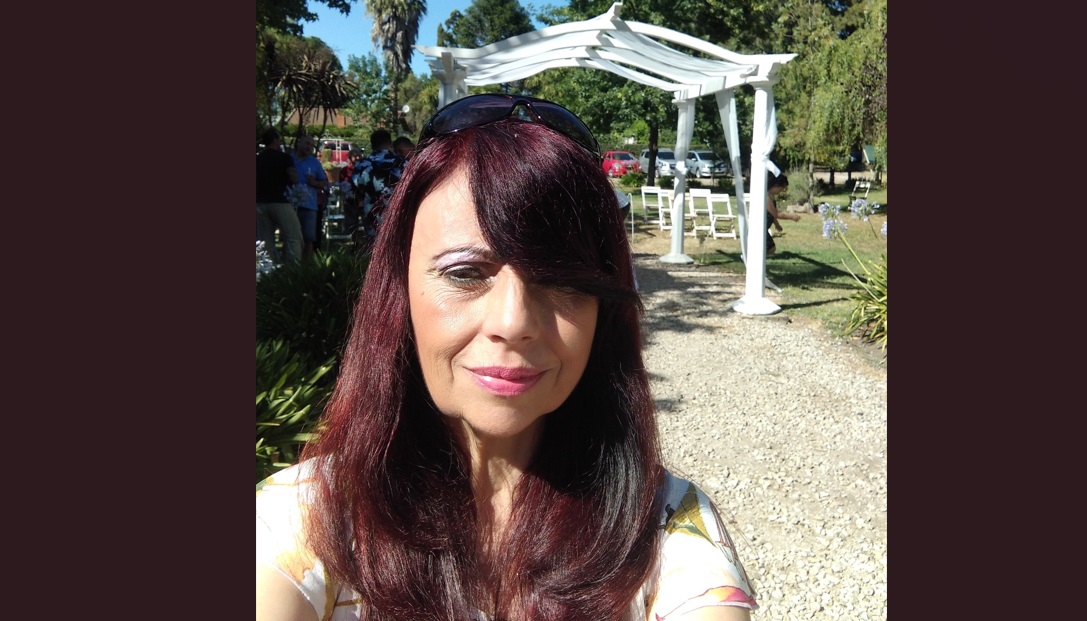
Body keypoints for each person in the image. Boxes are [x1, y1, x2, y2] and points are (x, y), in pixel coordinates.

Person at [256, 94, 758, 621]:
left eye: (561, 280)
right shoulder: (303, 519)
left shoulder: (667, 529)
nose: (513, 322)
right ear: (398, 291)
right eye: (465, 273)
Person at [351, 129, 405, 250]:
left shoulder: (362, 165)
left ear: (372, 145)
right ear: (390, 143)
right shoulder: (402, 163)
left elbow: (355, 187)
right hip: (398, 212)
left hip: (372, 213)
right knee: (398, 247)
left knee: (375, 249)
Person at [256, 128, 302, 264]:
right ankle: (292, 268)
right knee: (293, 237)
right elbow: (294, 177)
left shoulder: (258, 159)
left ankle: (268, 269)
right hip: (280, 201)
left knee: (265, 241)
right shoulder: (284, 158)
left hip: (260, 203)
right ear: (276, 140)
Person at [291, 135, 329, 260]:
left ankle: (307, 266)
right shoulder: (289, 159)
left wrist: (314, 183)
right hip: (291, 205)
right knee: (291, 237)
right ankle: (291, 265)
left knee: (309, 238)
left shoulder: (314, 163)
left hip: (309, 205)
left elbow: (324, 182)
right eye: (307, 143)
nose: (309, 147)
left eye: (311, 145)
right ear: (299, 143)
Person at [765, 172, 799, 256]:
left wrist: (777, 224)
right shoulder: (766, 197)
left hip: (764, 228)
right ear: (775, 185)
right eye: (781, 188)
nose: (781, 191)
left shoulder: (770, 196)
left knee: (770, 248)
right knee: (770, 248)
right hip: (760, 228)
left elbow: (772, 214)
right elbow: (776, 214)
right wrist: (791, 216)